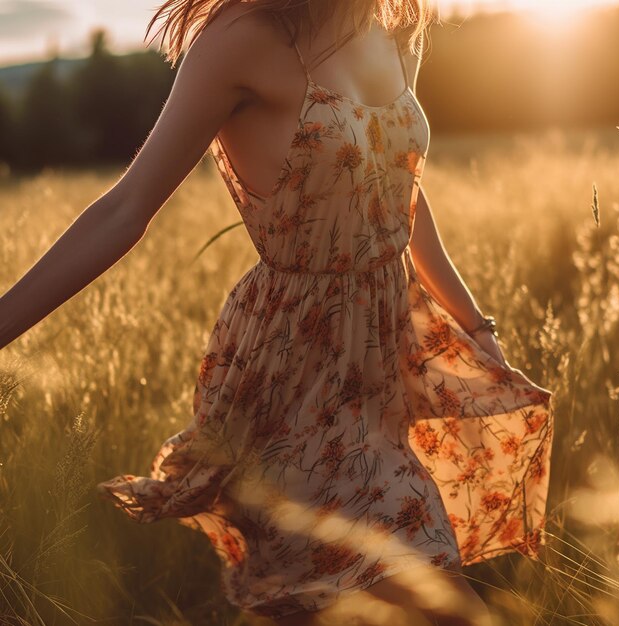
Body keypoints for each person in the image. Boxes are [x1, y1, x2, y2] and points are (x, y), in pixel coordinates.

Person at [0, 1, 554, 624]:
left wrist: (475, 326)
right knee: (410, 597)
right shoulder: (240, 40)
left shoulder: (395, 24)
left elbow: (403, 192)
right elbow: (124, 209)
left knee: (369, 593)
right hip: (292, 367)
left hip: (381, 364)